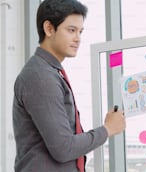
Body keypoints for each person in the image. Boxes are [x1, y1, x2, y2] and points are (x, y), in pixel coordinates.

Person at [12, 0, 126, 171]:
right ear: (49, 28)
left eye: (80, 32)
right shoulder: (40, 76)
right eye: (71, 30)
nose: (78, 39)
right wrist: (107, 129)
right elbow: (63, 148)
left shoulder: (49, 72)